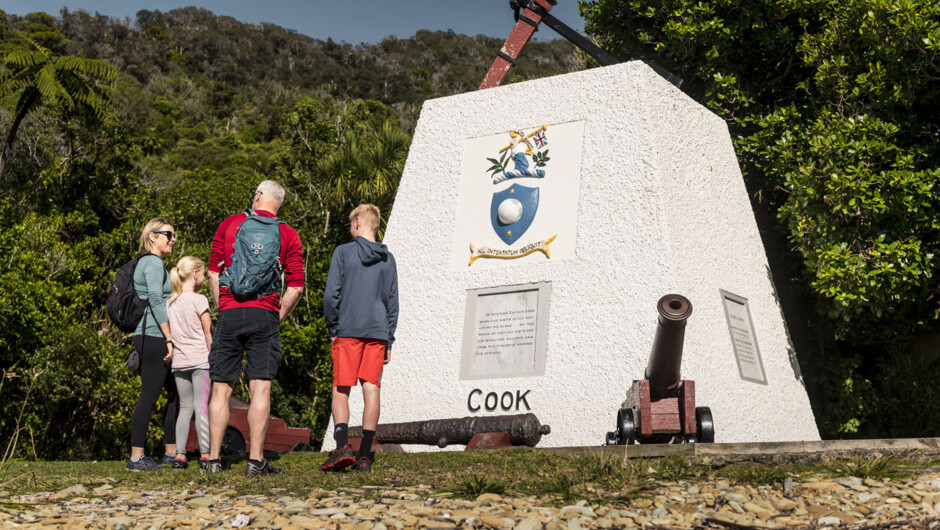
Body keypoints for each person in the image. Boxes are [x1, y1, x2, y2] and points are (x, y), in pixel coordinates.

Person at [205, 181, 304, 476]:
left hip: (230, 313)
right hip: (264, 314)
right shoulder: (288, 233)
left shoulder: (231, 224)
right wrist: (275, 317)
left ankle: (212, 460)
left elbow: (213, 270)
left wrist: (223, 306)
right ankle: (255, 460)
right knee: (260, 387)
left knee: (221, 388)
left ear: (258, 196)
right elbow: (296, 287)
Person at [320, 204, 399, 473]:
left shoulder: (343, 252)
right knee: (371, 389)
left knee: (341, 389)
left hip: (348, 329)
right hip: (377, 332)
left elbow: (331, 295)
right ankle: (364, 454)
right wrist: (389, 338)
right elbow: (392, 302)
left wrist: (333, 327)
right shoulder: (388, 259)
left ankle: (342, 446)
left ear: (357, 221)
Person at [127, 218, 179, 472]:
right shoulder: (153, 262)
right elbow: (157, 301)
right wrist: (169, 338)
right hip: (155, 335)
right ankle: (137, 457)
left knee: (176, 392)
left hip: (153, 335)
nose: (172, 239)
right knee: (149, 394)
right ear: (152, 237)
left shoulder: (150, 263)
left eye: (173, 236)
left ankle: (170, 452)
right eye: (167, 234)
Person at [166, 256, 212, 471]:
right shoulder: (199, 300)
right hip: (201, 360)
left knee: (184, 407)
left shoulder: (171, 302)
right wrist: (214, 354)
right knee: (201, 405)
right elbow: (207, 332)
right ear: (195, 274)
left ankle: (180, 455)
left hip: (179, 362)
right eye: (202, 273)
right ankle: (205, 453)